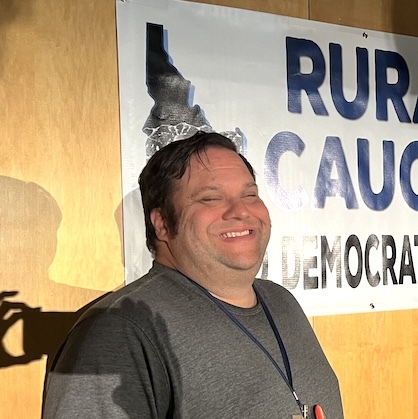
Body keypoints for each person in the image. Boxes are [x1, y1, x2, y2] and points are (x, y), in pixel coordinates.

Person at [42, 132, 344, 418]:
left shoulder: (281, 301)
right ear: (161, 224)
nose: (240, 211)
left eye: (250, 194)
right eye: (211, 199)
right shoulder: (118, 330)